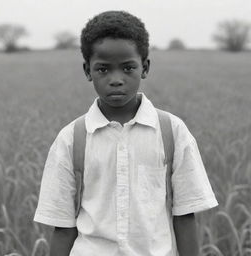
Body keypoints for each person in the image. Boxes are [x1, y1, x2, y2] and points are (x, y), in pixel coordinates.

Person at [34, 10, 218, 256]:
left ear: (145, 67)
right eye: (103, 69)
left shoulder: (172, 132)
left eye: (128, 68)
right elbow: (64, 228)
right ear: (87, 70)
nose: (116, 79)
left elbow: (184, 216)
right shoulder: (71, 139)